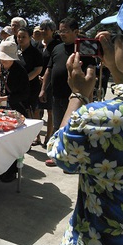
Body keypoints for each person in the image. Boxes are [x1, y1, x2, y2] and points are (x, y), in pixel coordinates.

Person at [47, 0, 123, 245]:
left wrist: (79, 95)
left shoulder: (100, 119)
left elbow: (58, 153)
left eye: (118, 39)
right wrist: (120, 70)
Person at [39, 17, 96, 167]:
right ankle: (58, 156)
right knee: (59, 127)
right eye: (60, 31)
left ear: (75, 31)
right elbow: (49, 70)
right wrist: (43, 88)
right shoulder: (57, 47)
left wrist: (89, 95)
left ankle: (74, 160)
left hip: (77, 97)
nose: (62, 34)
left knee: (77, 129)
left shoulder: (85, 47)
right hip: (57, 95)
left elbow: (92, 73)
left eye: (65, 31)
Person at [0, 40, 30, 182]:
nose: (3, 61)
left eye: (6, 59)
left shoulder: (20, 70)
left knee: (11, 143)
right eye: (2, 58)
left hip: (14, 111)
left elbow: (25, 93)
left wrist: (7, 98)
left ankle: (11, 171)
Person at [37, 19, 62, 147]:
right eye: (42, 28)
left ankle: (49, 135)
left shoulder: (57, 45)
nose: (44, 31)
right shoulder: (39, 45)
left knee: (50, 110)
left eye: (47, 29)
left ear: (53, 31)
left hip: (51, 82)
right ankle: (37, 137)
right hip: (38, 80)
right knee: (37, 109)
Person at [17, 28, 43, 119]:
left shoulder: (35, 52)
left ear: (30, 38)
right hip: (17, 88)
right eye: (19, 37)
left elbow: (38, 70)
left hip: (31, 88)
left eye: (23, 37)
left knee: (31, 114)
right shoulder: (15, 51)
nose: (20, 39)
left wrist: (24, 80)